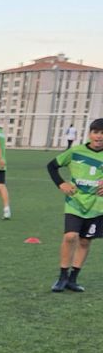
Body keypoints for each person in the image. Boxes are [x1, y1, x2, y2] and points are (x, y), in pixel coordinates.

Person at [47, 118, 103, 292]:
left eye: (102, 133)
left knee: (85, 241)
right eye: (96, 132)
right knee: (70, 237)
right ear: (89, 134)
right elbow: (51, 166)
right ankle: (62, 277)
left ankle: (73, 279)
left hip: (97, 206)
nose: (99, 136)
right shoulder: (76, 151)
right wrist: (61, 184)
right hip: (75, 202)